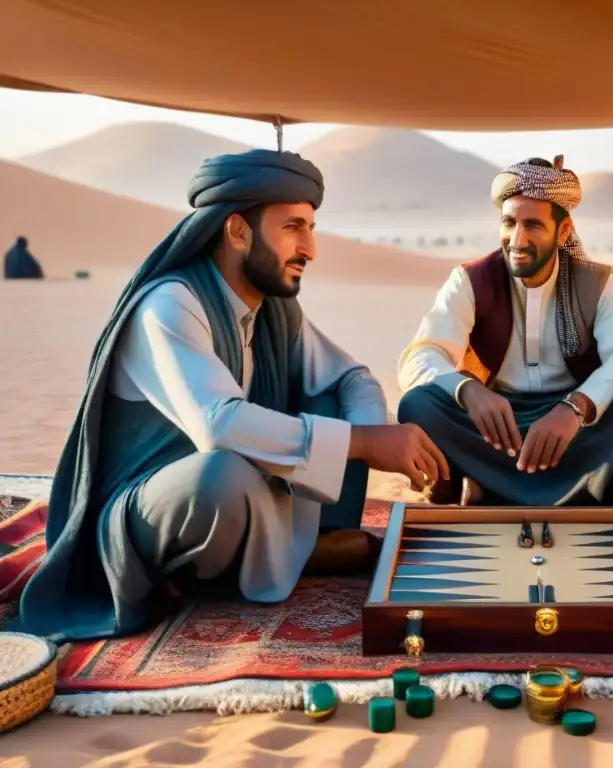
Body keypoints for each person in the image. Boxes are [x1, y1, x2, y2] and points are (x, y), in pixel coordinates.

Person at [13, 149, 448, 643]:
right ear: (238, 232)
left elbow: (352, 378)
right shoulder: (169, 305)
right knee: (220, 472)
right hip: (152, 509)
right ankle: (276, 556)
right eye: (293, 228)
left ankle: (305, 543)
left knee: (332, 407)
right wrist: (364, 444)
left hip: (246, 492)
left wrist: (376, 436)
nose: (311, 248)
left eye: (311, 228)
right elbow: (216, 423)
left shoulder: (273, 311)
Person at [396, 155, 613, 506]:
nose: (517, 239)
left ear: (564, 232)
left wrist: (576, 407)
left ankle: (488, 486)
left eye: (533, 225)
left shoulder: (599, 284)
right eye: (509, 222)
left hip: (577, 427)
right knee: (418, 404)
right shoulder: (470, 280)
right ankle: (601, 484)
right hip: (497, 427)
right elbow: (420, 356)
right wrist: (466, 390)